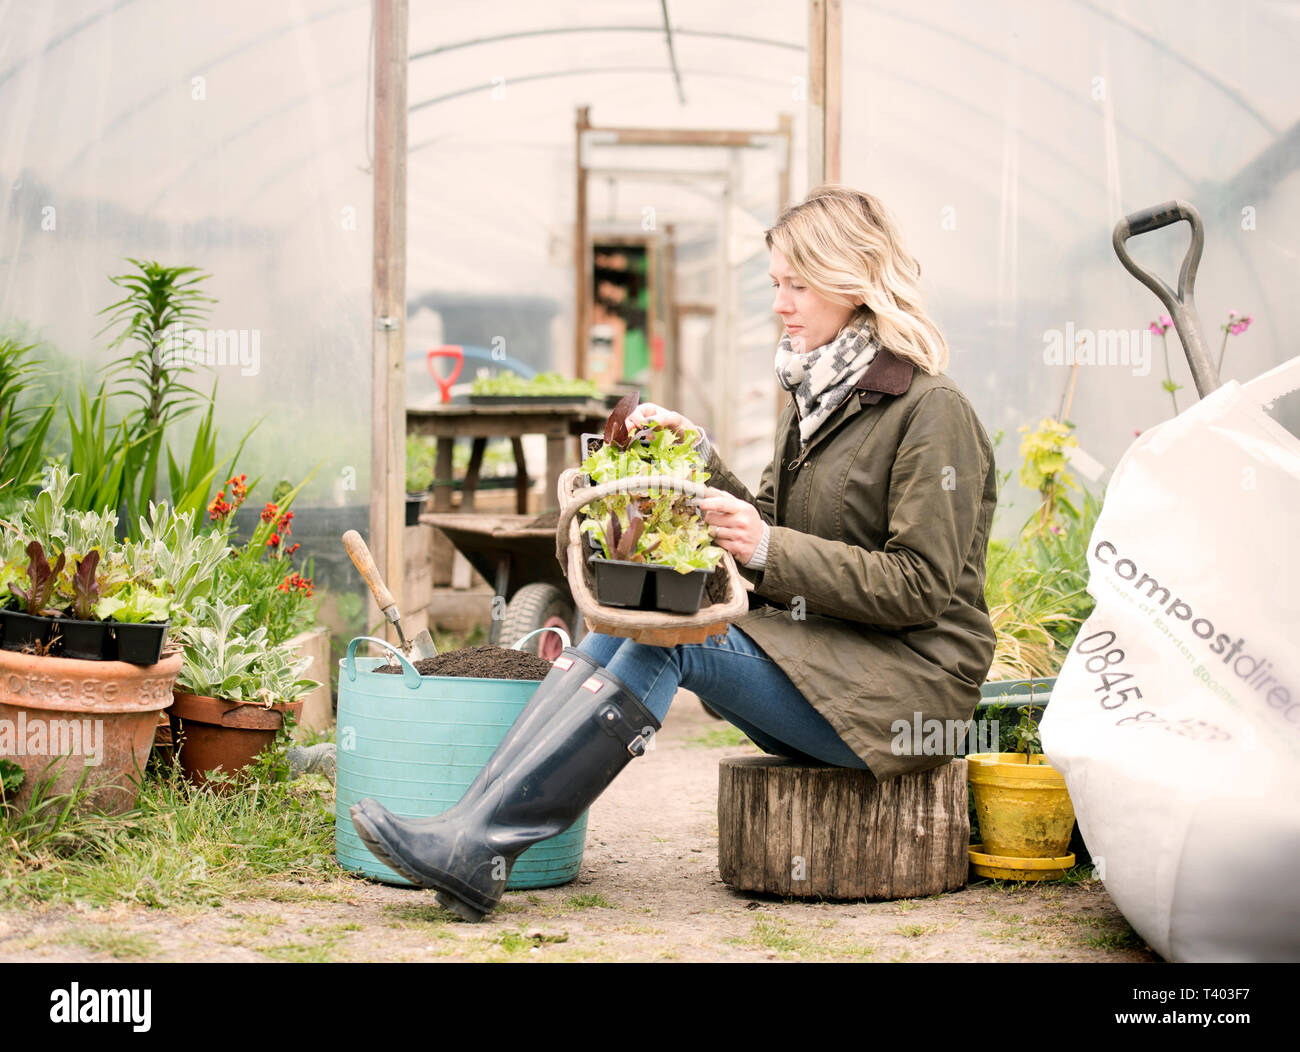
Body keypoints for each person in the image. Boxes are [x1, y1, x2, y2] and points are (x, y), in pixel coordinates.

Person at [351, 184, 999, 921]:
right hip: (830, 660)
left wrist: (767, 546)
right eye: (775, 284)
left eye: (798, 284)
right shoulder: (816, 398)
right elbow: (768, 525)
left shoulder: (930, 412)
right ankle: (470, 826)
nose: (781, 304)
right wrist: (702, 461)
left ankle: (482, 845)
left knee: (673, 639)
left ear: (855, 282)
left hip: (901, 693)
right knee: (625, 622)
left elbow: (919, 587)